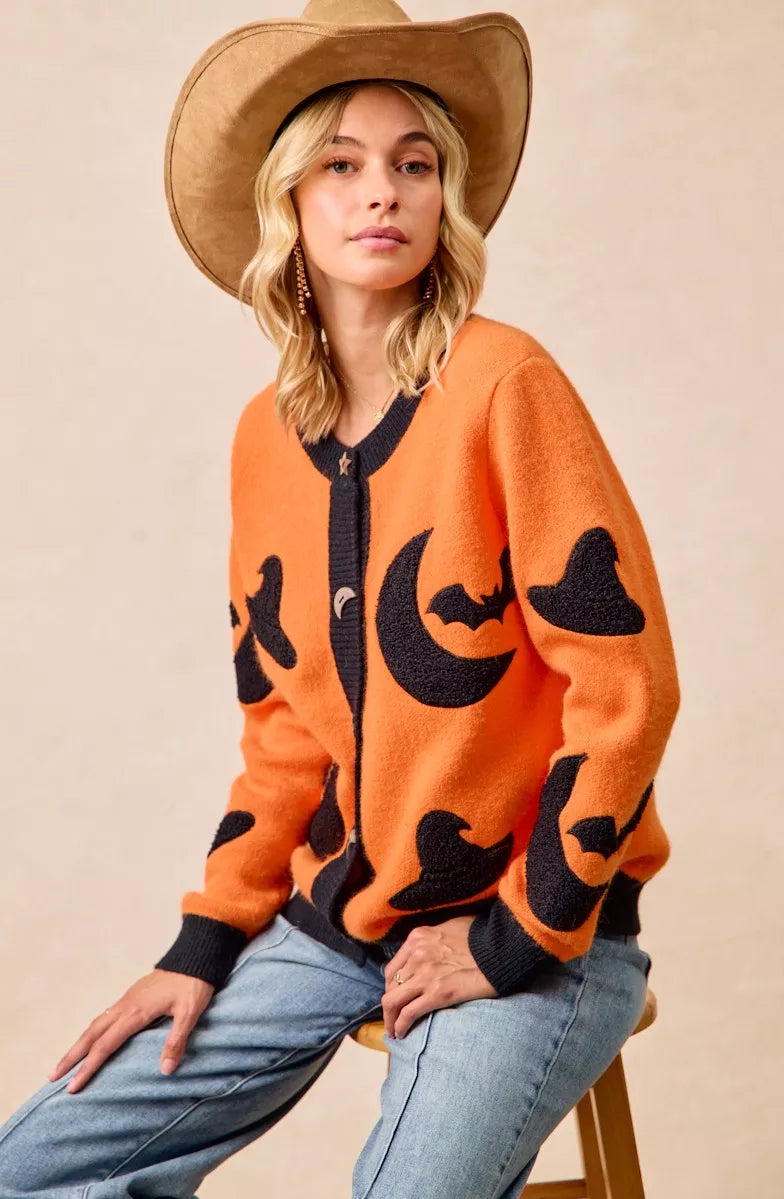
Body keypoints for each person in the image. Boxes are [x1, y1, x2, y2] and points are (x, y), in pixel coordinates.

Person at [0, 2, 681, 1196]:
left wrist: (517, 930)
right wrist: (202, 943)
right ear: (288, 201)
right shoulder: (264, 440)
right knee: (32, 1166)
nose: (382, 193)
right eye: (341, 164)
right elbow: (282, 731)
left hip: (541, 925)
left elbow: (624, 686)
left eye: (413, 165)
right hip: (339, 922)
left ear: (442, 197)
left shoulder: (503, 383)